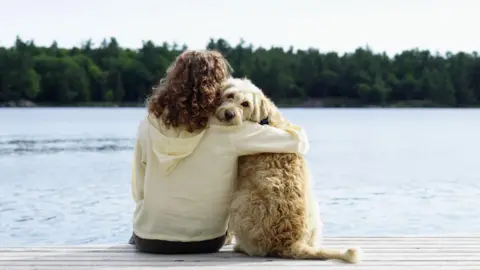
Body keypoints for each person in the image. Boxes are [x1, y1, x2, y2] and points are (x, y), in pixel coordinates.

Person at [129, 50, 309, 254]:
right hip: (206, 240)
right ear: (216, 87)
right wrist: (268, 113)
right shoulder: (231, 130)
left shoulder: (148, 124)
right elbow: (299, 142)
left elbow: (138, 188)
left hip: (149, 239)